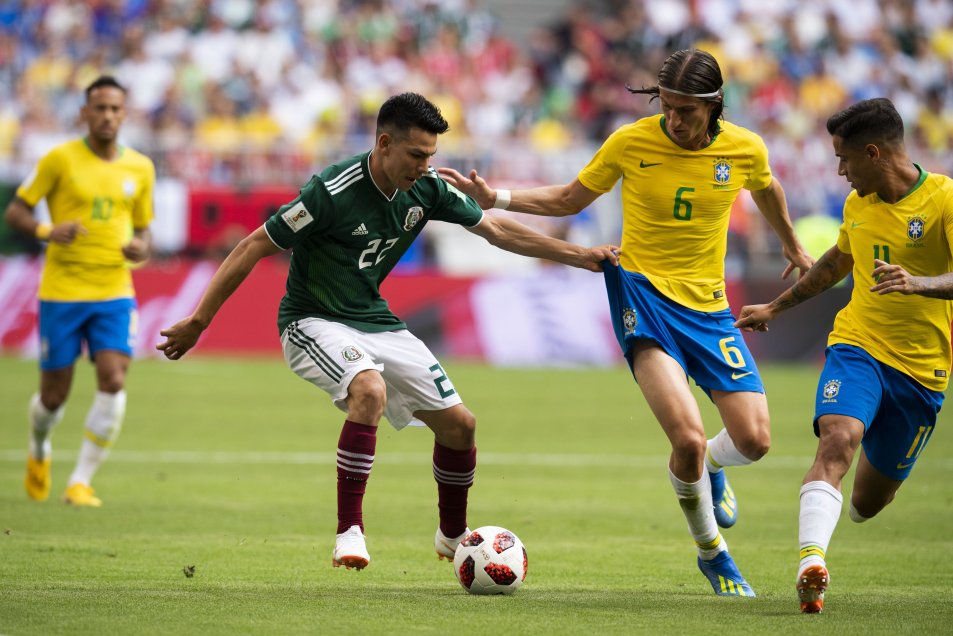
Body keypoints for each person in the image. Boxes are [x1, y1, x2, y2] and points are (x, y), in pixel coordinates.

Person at [155, 92, 618, 570]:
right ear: (383, 144)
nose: (424, 166)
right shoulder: (331, 190)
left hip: (376, 320)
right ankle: (349, 531)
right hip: (311, 319)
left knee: (461, 426)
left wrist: (579, 257)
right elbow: (255, 245)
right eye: (416, 155)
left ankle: (453, 535)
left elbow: (497, 231)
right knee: (369, 391)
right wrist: (199, 320)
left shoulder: (428, 189)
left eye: (431, 156)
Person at [440, 48, 813, 596]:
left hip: (709, 309)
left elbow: (767, 189)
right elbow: (570, 198)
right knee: (684, 438)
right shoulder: (632, 141)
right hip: (641, 296)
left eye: (687, 109)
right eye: (668, 105)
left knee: (755, 440)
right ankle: (713, 553)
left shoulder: (744, 148)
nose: (674, 118)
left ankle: (714, 464)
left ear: (714, 106)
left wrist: (792, 242)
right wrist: (497, 195)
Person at [735, 97, 952, 613]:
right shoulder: (858, 207)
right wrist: (775, 306)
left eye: (844, 158)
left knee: (866, 504)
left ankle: (845, 512)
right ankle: (812, 562)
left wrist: (918, 283)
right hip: (857, 345)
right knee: (837, 439)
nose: (839, 171)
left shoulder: (944, 200)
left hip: (922, 371)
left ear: (874, 153)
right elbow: (836, 263)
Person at [4, 76, 155, 507]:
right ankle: (38, 448)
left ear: (124, 114)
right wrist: (49, 230)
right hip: (63, 291)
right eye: (99, 108)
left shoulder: (140, 167)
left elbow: (145, 233)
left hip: (114, 291)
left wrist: (139, 247)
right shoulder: (58, 160)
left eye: (115, 109)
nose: (107, 116)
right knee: (54, 396)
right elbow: (15, 210)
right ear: (84, 113)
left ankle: (80, 481)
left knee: (114, 379)